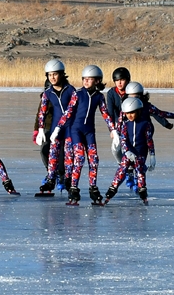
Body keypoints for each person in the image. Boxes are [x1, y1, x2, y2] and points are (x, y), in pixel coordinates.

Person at [53, 65, 115, 206]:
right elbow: (68, 112)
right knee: (79, 158)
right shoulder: (78, 94)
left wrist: (113, 130)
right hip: (76, 131)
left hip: (89, 132)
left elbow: (105, 114)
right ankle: (73, 188)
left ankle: (93, 187)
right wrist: (58, 128)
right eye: (84, 79)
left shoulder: (99, 97)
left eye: (89, 79)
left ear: (97, 81)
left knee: (94, 160)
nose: (86, 81)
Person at [34, 59, 75, 195]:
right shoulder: (47, 93)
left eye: (55, 74)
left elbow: (71, 109)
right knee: (52, 154)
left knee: (68, 155)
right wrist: (39, 129)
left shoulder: (70, 90)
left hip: (69, 128)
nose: (52, 78)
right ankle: (51, 179)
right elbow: (42, 112)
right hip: (54, 130)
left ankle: (68, 181)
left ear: (62, 74)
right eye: (49, 75)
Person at [103, 97, 153, 205]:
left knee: (140, 170)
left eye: (132, 113)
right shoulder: (125, 125)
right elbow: (123, 140)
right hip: (129, 152)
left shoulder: (145, 124)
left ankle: (142, 191)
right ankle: (112, 189)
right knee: (122, 168)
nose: (129, 115)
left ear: (138, 111)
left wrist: (152, 156)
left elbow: (149, 140)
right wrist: (126, 151)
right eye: (127, 113)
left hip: (140, 153)